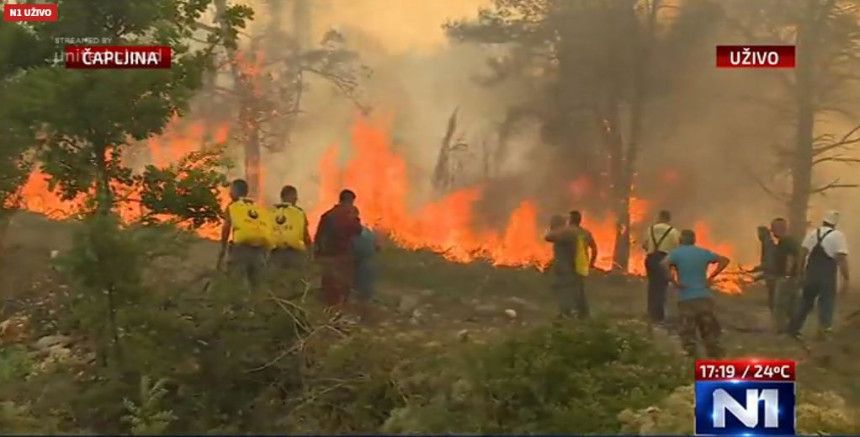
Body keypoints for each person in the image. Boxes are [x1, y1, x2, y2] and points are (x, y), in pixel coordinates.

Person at [662, 229, 730, 359]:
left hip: (686, 299)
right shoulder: (702, 252)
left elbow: (664, 264)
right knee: (709, 333)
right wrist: (711, 277)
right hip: (704, 297)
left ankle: (692, 362)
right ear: (694, 240)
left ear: (681, 240)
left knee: (688, 334)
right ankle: (716, 362)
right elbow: (725, 260)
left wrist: (673, 281)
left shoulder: (676, 253)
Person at [788, 210, 850, 340]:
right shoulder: (838, 236)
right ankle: (824, 332)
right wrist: (846, 279)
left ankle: (793, 329)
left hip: (811, 274)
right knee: (826, 303)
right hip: (826, 276)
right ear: (835, 223)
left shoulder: (812, 233)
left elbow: (802, 254)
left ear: (824, 220)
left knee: (805, 302)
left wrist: (800, 273)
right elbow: (841, 259)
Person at [314, 189, 363, 310]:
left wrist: (317, 253)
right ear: (351, 200)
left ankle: (328, 311)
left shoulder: (328, 215)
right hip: (344, 255)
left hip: (328, 255)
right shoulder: (350, 215)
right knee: (344, 284)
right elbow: (358, 231)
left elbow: (319, 236)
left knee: (329, 285)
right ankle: (341, 310)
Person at [217, 179, 269, 289]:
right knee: (258, 284)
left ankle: (237, 305)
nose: (230, 193)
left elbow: (226, 227)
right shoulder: (257, 207)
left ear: (236, 191)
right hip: (259, 250)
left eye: (231, 190)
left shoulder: (233, 206)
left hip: (240, 250)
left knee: (235, 282)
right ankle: (258, 304)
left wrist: (223, 247)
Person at [544, 211, 597, 319]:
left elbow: (548, 237)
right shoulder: (586, 232)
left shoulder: (566, 232)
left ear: (570, 219)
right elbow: (595, 249)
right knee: (579, 290)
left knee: (564, 290)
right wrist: (591, 263)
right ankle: (583, 313)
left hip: (565, 267)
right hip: (581, 266)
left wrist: (555, 226)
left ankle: (565, 313)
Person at [642, 210, 681, 324]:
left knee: (652, 285)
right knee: (661, 287)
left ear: (659, 217)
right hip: (664, 259)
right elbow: (676, 247)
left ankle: (650, 312)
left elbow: (645, 245)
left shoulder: (651, 229)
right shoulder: (673, 232)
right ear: (668, 219)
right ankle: (658, 316)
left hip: (650, 259)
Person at [767, 218, 801, 333]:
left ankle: (781, 330)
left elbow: (790, 258)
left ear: (780, 228)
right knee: (791, 305)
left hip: (786, 278)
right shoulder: (786, 241)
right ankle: (793, 329)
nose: (772, 231)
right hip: (790, 278)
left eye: (773, 228)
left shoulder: (787, 242)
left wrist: (786, 275)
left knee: (781, 305)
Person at [270, 185, 312, 273]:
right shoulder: (298, 212)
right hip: (295, 254)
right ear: (291, 196)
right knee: (295, 280)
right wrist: (310, 251)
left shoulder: (271, 212)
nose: (296, 200)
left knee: (277, 280)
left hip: (275, 254)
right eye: (295, 197)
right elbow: (305, 234)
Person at [352, 224, 380, 323]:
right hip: (368, 264)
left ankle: (363, 316)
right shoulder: (368, 232)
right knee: (366, 292)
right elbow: (377, 247)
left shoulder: (351, 232)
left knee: (360, 291)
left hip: (358, 264)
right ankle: (366, 316)